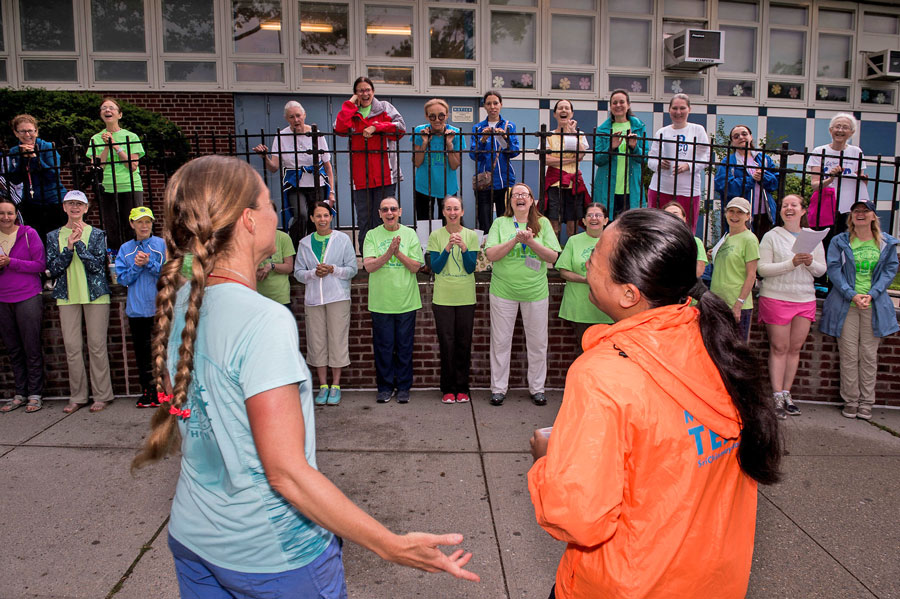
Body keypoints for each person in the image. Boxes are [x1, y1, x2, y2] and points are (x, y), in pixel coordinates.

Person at [130, 156, 478, 597]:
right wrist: (391, 545)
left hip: (194, 536)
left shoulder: (181, 305)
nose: (280, 211)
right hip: (273, 554)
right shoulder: (262, 320)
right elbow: (287, 473)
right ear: (250, 221)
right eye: (270, 201)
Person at [527, 208, 782, 599]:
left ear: (629, 293)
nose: (588, 262)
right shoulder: (717, 345)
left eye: (594, 258)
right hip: (711, 580)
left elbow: (579, 518)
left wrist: (548, 460)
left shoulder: (602, 374)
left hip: (626, 583)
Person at [820, 200, 899, 420]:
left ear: (874, 216)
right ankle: (851, 401)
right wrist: (851, 294)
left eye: (866, 211)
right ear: (851, 216)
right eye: (856, 211)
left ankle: (867, 402)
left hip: (873, 306)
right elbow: (834, 270)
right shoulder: (840, 241)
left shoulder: (886, 243)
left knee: (868, 355)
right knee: (848, 355)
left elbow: (890, 270)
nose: (861, 214)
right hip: (847, 305)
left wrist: (871, 294)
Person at [484, 183, 561, 407]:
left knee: (537, 343)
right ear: (510, 201)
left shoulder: (543, 223)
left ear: (531, 200)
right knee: (500, 342)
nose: (520, 197)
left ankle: (537, 389)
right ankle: (498, 389)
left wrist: (530, 241)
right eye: (515, 194)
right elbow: (491, 254)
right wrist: (515, 240)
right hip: (503, 292)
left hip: (535, 293)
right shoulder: (500, 223)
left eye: (524, 194)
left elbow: (552, 257)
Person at [757, 195, 826, 420]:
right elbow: (763, 269)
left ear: (803, 210)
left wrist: (809, 262)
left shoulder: (814, 238)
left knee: (794, 349)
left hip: (804, 299)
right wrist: (792, 263)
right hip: (776, 298)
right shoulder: (771, 236)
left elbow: (821, 271)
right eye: (785, 206)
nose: (789, 208)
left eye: (793, 205)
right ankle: (776, 395)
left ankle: (788, 394)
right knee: (779, 347)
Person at [46, 190, 114, 414]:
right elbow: (53, 269)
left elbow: (97, 266)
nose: (75, 207)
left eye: (79, 204)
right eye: (70, 203)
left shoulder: (96, 234)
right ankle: (78, 396)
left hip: (96, 296)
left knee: (97, 346)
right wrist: (68, 247)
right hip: (67, 296)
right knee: (73, 348)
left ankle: (102, 395)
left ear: (86, 208)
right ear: (64, 208)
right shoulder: (53, 235)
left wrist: (80, 245)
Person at [294, 201, 358, 406]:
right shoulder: (304, 243)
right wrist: (314, 273)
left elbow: (352, 269)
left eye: (326, 215)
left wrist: (333, 269)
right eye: (318, 216)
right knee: (317, 341)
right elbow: (298, 273)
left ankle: (336, 385)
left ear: (331, 217)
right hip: (314, 300)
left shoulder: (342, 240)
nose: (322, 219)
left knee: (337, 340)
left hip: (338, 297)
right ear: (312, 218)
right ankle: (322, 385)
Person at [363, 196, 424, 404]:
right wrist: (389, 252)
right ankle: (385, 387)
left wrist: (398, 254)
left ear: (400, 211)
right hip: (381, 302)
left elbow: (416, 267)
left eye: (393, 209)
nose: (389, 213)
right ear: (380, 213)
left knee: (405, 347)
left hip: (406, 301)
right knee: (384, 348)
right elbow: (369, 266)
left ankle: (404, 387)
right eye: (385, 209)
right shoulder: (371, 235)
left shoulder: (410, 234)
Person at [334, 77, 406, 251]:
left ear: (373, 91)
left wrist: (376, 127)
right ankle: (368, 257)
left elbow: (400, 128)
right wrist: (350, 104)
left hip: (385, 174)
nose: (364, 94)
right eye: (360, 90)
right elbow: (339, 128)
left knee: (385, 217)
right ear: (355, 93)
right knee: (364, 219)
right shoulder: (352, 112)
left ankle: (388, 253)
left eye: (368, 90)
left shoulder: (385, 108)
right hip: (360, 177)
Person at [253, 101, 336, 246]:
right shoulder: (281, 136)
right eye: (291, 117)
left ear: (304, 115)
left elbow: (328, 166)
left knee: (315, 219)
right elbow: (274, 167)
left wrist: (332, 192)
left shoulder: (316, 134)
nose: (296, 120)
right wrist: (264, 157)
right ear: (286, 118)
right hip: (294, 184)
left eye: (298, 115)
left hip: (317, 184)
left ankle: (313, 252)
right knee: (301, 215)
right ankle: (294, 250)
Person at [426, 197, 478, 404]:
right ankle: (448, 388)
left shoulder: (471, 235)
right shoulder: (436, 235)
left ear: (462, 212)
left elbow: (471, 267)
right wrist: (447, 247)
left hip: (465, 297)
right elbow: (436, 268)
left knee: (464, 343)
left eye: (456, 208)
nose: (453, 212)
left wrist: (464, 248)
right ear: (444, 212)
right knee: (446, 343)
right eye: (448, 209)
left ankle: (462, 387)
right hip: (443, 298)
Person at [115, 206, 166, 408]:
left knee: (163, 351)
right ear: (132, 224)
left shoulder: (161, 244)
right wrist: (136, 265)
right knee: (143, 353)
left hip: (160, 307)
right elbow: (122, 278)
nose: (144, 225)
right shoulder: (125, 249)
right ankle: (148, 391)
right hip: (137, 310)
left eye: (147, 221)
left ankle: (164, 391)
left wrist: (149, 263)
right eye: (140, 222)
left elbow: (169, 273)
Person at [0, 197, 46, 413]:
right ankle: (20, 393)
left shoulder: (29, 234)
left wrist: (11, 262)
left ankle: (35, 394)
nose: (6, 217)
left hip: (27, 296)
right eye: (2, 213)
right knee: (13, 348)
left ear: (16, 214)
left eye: (10, 213)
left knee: (31, 347)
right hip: (2, 298)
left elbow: (40, 264)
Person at [86, 98, 145, 250]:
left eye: (111, 108)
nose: (107, 110)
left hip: (130, 186)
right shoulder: (96, 139)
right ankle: (115, 261)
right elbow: (98, 167)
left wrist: (116, 146)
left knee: (133, 225)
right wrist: (106, 147)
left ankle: (136, 255)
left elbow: (131, 165)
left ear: (119, 115)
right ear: (101, 114)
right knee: (112, 227)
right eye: (104, 108)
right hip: (108, 188)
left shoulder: (131, 137)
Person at [647, 94, 710, 234]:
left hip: (688, 190)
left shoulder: (697, 130)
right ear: (669, 110)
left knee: (686, 229)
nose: (678, 112)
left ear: (689, 109)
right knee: (657, 227)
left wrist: (688, 166)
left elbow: (705, 157)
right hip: (660, 188)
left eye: (682, 108)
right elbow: (651, 160)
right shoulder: (662, 132)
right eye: (674, 108)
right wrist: (659, 164)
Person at [556, 203, 612, 355]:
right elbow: (563, 272)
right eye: (590, 215)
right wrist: (585, 279)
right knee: (585, 353)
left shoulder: (616, 242)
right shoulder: (574, 241)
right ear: (584, 221)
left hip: (608, 308)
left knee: (607, 354)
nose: (594, 218)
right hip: (580, 308)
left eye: (598, 215)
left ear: (606, 220)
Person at [5, 114, 66, 240]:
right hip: (31, 203)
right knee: (36, 240)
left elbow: (53, 175)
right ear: (16, 133)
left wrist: (34, 158)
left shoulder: (48, 147)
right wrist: (22, 159)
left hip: (53, 201)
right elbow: (14, 179)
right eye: (22, 131)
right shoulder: (15, 151)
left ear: (36, 131)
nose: (27, 135)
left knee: (56, 240)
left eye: (30, 131)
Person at [806, 113, 868, 236]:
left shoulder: (856, 152)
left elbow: (860, 184)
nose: (840, 130)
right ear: (831, 130)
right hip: (825, 205)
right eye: (837, 126)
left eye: (845, 127)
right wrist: (831, 178)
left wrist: (863, 180)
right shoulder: (820, 151)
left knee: (846, 239)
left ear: (852, 132)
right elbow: (814, 185)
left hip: (848, 206)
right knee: (825, 240)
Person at [714, 124, 778, 238]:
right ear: (732, 142)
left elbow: (775, 182)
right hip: (740, 214)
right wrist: (751, 179)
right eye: (736, 136)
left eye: (744, 134)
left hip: (765, 213)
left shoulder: (763, 159)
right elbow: (724, 186)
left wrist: (764, 177)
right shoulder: (729, 161)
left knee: (764, 247)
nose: (741, 137)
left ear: (751, 137)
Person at [710, 197, 759, 341]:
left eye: (740, 212)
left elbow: (751, 275)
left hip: (736, 305)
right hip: (718, 302)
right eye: (731, 211)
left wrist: (738, 304)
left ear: (748, 216)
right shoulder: (725, 237)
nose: (735, 216)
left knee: (735, 351)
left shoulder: (749, 239)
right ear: (725, 213)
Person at [470, 91, 520, 233]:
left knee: (505, 220)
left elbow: (515, 151)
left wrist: (504, 137)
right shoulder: (478, 128)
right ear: (484, 106)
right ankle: (486, 250)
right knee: (484, 220)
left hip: (505, 179)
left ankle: (504, 248)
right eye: (489, 103)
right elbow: (474, 155)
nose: (492, 107)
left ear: (501, 105)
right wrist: (483, 139)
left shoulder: (509, 126)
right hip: (484, 181)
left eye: (495, 103)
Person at [593, 89, 648, 219]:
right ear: (610, 106)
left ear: (628, 105)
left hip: (631, 187)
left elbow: (644, 159)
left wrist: (634, 147)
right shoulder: (602, 129)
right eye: (614, 103)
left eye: (622, 102)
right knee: (608, 224)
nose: (618, 105)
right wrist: (611, 148)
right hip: (608, 187)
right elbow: (598, 160)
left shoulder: (639, 127)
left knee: (630, 225)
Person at [543, 99, 590, 239]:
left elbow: (581, 154)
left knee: (573, 228)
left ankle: (570, 258)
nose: (563, 110)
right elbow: (546, 159)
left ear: (571, 113)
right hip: (554, 186)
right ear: (555, 114)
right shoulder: (549, 135)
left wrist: (572, 133)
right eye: (560, 108)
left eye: (567, 108)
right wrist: (571, 159)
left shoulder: (578, 135)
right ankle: (554, 258)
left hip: (573, 186)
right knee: (554, 226)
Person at [413, 99, 464, 222]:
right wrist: (424, 143)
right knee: (425, 224)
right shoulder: (420, 131)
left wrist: (449, 145)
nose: (437, 120)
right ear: (426, 116)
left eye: (441, 116)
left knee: (448, 224)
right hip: (424, 186)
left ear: (447, 115)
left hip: (448, 187)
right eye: (432, 116)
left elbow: (454, 165)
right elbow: (417, 162)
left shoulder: (455, 133)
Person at [662, 201, 708, 278]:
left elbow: (699, 271)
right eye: (668, 215)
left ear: (684, 219)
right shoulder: (659, 241)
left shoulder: (695, 241)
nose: (672, 217)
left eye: (675, 214)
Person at [256, 227, 296, 309]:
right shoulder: (250, 237)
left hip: (280, 297)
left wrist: (272, 266)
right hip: (256, 297)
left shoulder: (283, 237)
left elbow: (289, 267)